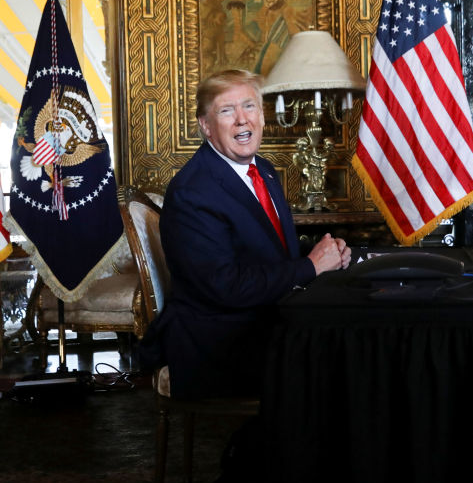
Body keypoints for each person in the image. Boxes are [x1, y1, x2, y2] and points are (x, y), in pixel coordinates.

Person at [137, 69, 351, 401]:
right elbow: (226, 286)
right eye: (227, 110)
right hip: (220, 342)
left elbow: (267, 248)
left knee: (358, 337)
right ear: (206, 126)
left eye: (249, 106)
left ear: (261, 117)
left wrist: (326, 251)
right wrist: (310, 266)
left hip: (263, 321)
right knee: (348, 359)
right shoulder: (193, 192)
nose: (242, 119)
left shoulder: (262, 170)